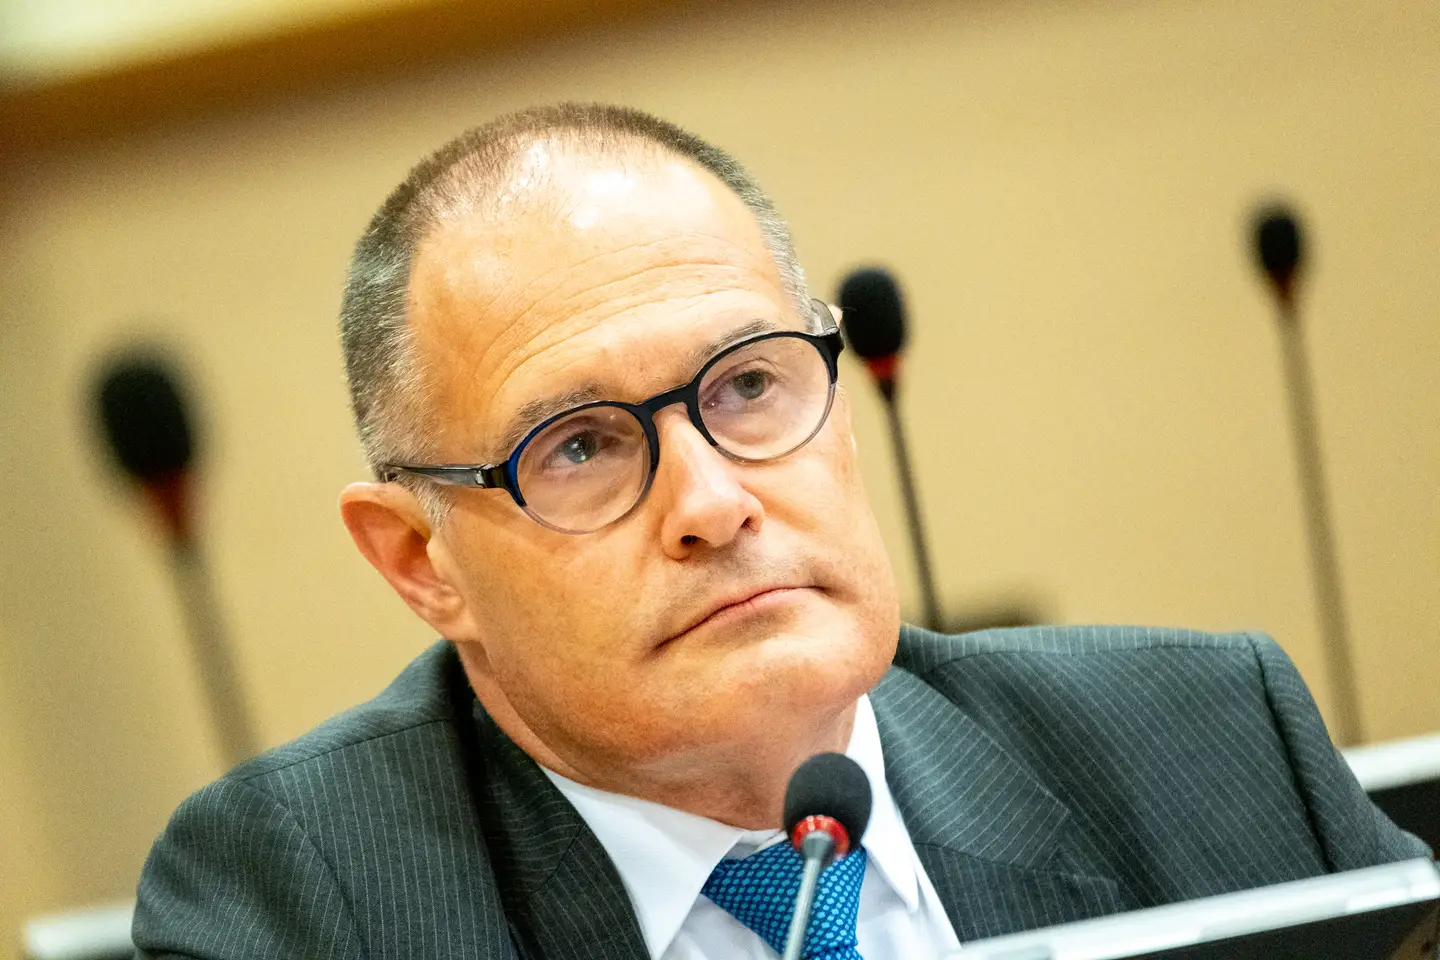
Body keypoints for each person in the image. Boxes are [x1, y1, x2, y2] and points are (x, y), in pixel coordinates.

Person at [132, 104, 1426, 960]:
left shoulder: (1206, 742)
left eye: (749, 386)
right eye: (580, 446)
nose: (711, 502)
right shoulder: (298, 905)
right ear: (422, 563)